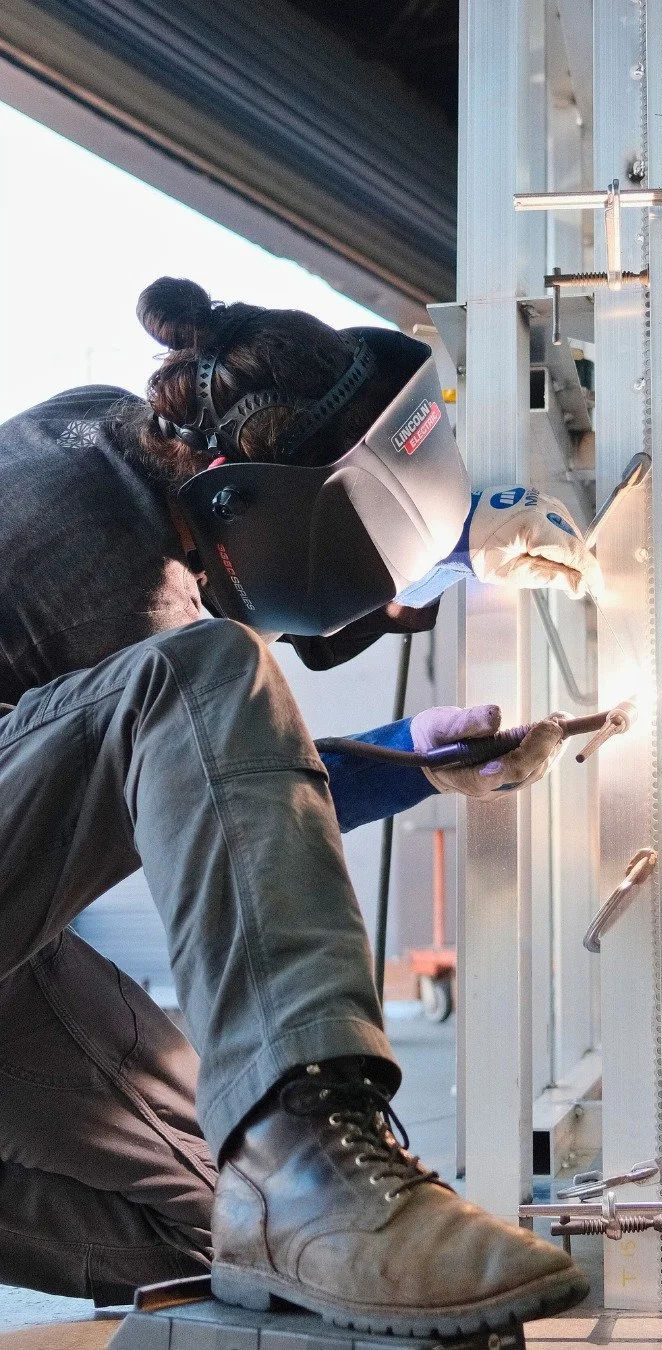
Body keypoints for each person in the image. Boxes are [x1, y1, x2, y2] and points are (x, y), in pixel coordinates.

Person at [0, 277, 599, 1335]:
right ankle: (314, 1152)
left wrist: (413, 733)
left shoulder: (101, 431)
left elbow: (183, 777)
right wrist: (399, 759)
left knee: (236, 1227)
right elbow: (186, 755)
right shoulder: (134, 590)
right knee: (203, 672)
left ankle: (298, 1195)